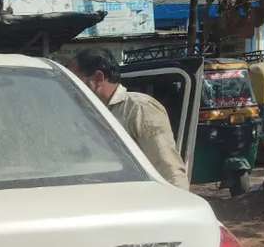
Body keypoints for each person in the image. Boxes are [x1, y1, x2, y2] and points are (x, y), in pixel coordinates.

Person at [68, 48, 190, 190]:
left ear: (98, 78)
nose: (71, 88)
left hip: (138, 200)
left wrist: (176, 206)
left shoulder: (139, 108)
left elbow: (168, 168)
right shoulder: (87, 113)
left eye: (75, 80)